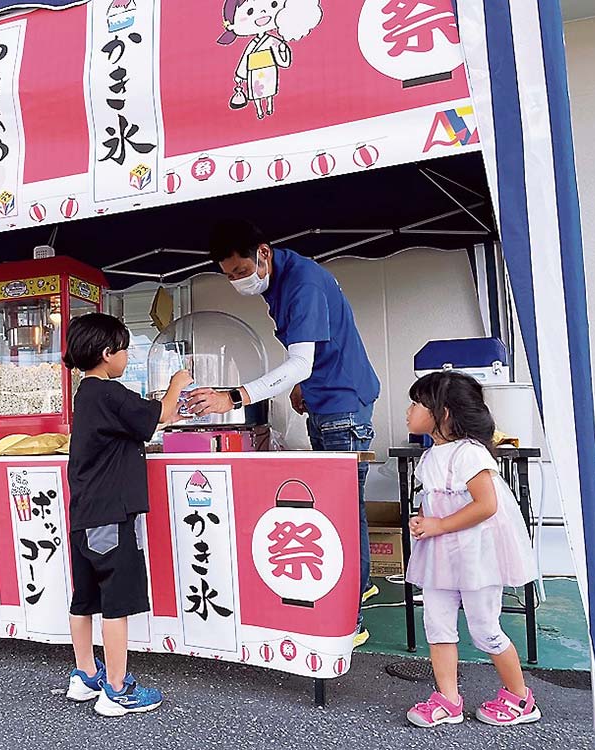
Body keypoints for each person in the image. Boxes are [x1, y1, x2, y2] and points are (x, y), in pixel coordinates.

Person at [189, 218, 380, 646]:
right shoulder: (282, 279)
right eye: (229, 276)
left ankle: (350, 617)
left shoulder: (303, 284)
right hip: (326, 400)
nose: (238, 281)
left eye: (241, 272)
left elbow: (302, 361)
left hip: (343, 407)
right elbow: (310, 353)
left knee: (342, 511)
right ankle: (359, 585)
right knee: (348, 507)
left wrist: (234, 397)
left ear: (264, 252)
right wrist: (300, 386)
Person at [63, 313, 192, 717]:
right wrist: (177, 383)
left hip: (85, 514)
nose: (127, 355)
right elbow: (162, 415)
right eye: (123, 349)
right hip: (111, 515)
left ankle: (84, 674)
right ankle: (116, 689)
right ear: (107, 354)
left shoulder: (85, 394)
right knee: (116, 602)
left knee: (84, 598)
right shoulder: (109, 393)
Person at [403, 371, 539, 728]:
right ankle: (448, 699)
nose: (409, 410)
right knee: (437, 623)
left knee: (484, 628)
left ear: (443, 413)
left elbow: (486, 504)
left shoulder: (470, 453)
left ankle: (521, 698)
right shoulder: (432, 455)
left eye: (417, 402)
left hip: (477, 556)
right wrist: (422, 520)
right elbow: (433, 501)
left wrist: (438, 525)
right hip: (441, 554)